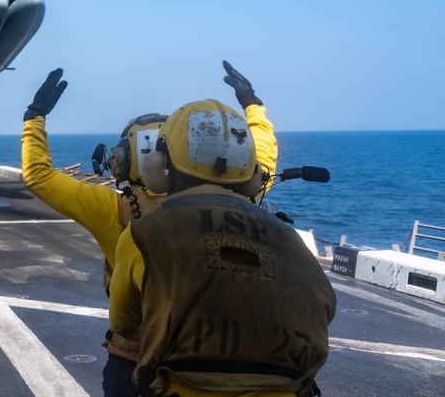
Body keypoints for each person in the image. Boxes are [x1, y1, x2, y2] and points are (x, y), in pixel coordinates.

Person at [20, 62, 277, 397]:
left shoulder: (114, 208)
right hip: (220, 360)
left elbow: (39, 175)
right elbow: (262, 160)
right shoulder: (240, 196)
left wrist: (34, 117)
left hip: (136, 357)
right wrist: (252, 104)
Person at [108, 99, 336, 397]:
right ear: (253, 173)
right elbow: (325, 308)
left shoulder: (142, 233)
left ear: (159, 164)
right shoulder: (290, 239)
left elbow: (124, 323)